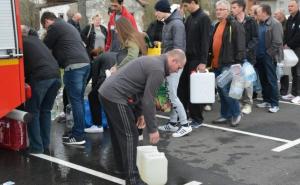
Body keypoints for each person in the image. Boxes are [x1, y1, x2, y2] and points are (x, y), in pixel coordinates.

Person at [99, 49, 186, 185]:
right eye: (178, 67)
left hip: (106, 93)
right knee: (130, 135)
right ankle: (133, 179)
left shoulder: (154, 62)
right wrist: (153, 129)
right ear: (173, 60)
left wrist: (140, 114)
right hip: (115, 96)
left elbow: (140, 91)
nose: (177, 71)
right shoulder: (158, 70)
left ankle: (122, 168)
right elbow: (149, 100)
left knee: (119, 134)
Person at [41, 11, 91, 145]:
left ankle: (78, 136)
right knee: (78, 101)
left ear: (47, 21)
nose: (47, 30)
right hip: (85, 64)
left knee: (76, 102)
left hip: (73, 66)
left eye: (45, 27)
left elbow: (44, 47)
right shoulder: (67, 26)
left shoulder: (54, 27)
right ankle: (78, 131)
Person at [21, 25, 61, 154]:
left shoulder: (21, 44)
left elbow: (21, 67)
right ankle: (45, 144)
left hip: (41, 78)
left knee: (33, 111)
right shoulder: (36, 40)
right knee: (45, 111)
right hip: (56, 76)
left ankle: (36, 148)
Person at [153, 0, 190, 138]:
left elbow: (178, 49)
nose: (155, 13)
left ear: (163, 10)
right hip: (169, 64)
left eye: (157, 10)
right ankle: (173, 123)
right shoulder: (168, 23)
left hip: (174, 65)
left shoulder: (176, 24)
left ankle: (185, 125)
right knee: (171, 93)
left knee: (172, 95)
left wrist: (171, 65)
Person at [210, 0, 246, 126]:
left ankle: (236, 113)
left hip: (229, 63)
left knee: (226, 90)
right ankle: (225, 115)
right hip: (216, 63)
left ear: (228, 11)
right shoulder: (216, 25)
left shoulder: (235, 25)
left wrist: (238, 63)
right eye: (217, 9)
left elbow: (241, 46)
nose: (218, 11)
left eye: (221, 9)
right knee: (221, 90)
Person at [178, 0, 211, 129]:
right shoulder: (190, 18)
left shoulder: (204, 18)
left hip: (197, 60)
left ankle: (197, 118)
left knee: (195, 90)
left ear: (193, 2)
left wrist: (203, 62)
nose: (185, 8)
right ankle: (187, 115)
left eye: (186, 5)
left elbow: (205, 41)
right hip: (187, 59)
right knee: (183, 89)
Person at [231, 0, 258, 115]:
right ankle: (239, 102)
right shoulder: (231, 21)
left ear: (241, 8)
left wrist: (245, 50)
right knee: (237, 79)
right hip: (234, 58)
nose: (232, 9)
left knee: (247, 81)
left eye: (234, 7)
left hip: (248, 57)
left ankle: (248, 103)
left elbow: (255, 38)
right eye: (231, 7)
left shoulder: (251, 21)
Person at [255, 4, 283, 113]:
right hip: (259, 57)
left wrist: (268, 54)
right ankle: (266, 100)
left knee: (271, 80)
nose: (256, 13)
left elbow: (277, 42)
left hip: (269, 57)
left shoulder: (275, 24)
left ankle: (275, 104)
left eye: (258, 11)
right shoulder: (260, 23)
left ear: (265, 12)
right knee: (263, 80)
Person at [282, 0, 300, 104]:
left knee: (298, 71)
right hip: (291, 48)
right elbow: (286, 33)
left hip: (298, 48)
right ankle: (293, 93)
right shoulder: (290, 19)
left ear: (297, 6)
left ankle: (298, 94)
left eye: (292, 6)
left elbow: (299, 35)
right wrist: (285, 43)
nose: (290, 8)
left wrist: (289, 44)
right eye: (289, 6)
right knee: (293, 71)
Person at [274, 8, 290, 97]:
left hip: (285, 49)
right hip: (276, 49)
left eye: (276, 14)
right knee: (277, 70)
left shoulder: (287, 23)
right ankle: (277, 90)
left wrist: (286, 43)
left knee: (284, 71)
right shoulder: (275, 23)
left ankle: (284, 90)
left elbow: (289, 35)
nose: (274, 15)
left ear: (281, 14)